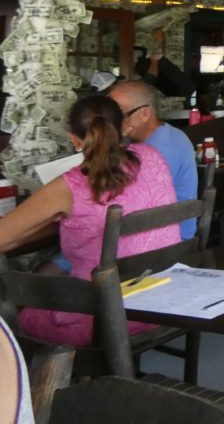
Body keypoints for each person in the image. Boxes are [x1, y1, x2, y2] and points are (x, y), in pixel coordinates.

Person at [0, 95, 179, 347]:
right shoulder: (152, 157)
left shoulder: (69, 186)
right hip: (164, 296)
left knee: (15, 312)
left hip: (104, 315)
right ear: (122, 128)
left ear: (75, 139)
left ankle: (37, 381)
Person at [108, 81, 198, 239]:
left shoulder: (164, 146)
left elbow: (123, 196)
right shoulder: (134, 141)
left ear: (145, 114)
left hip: (166, 239)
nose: (111, 123)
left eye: (119, 115)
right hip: (144, 229)